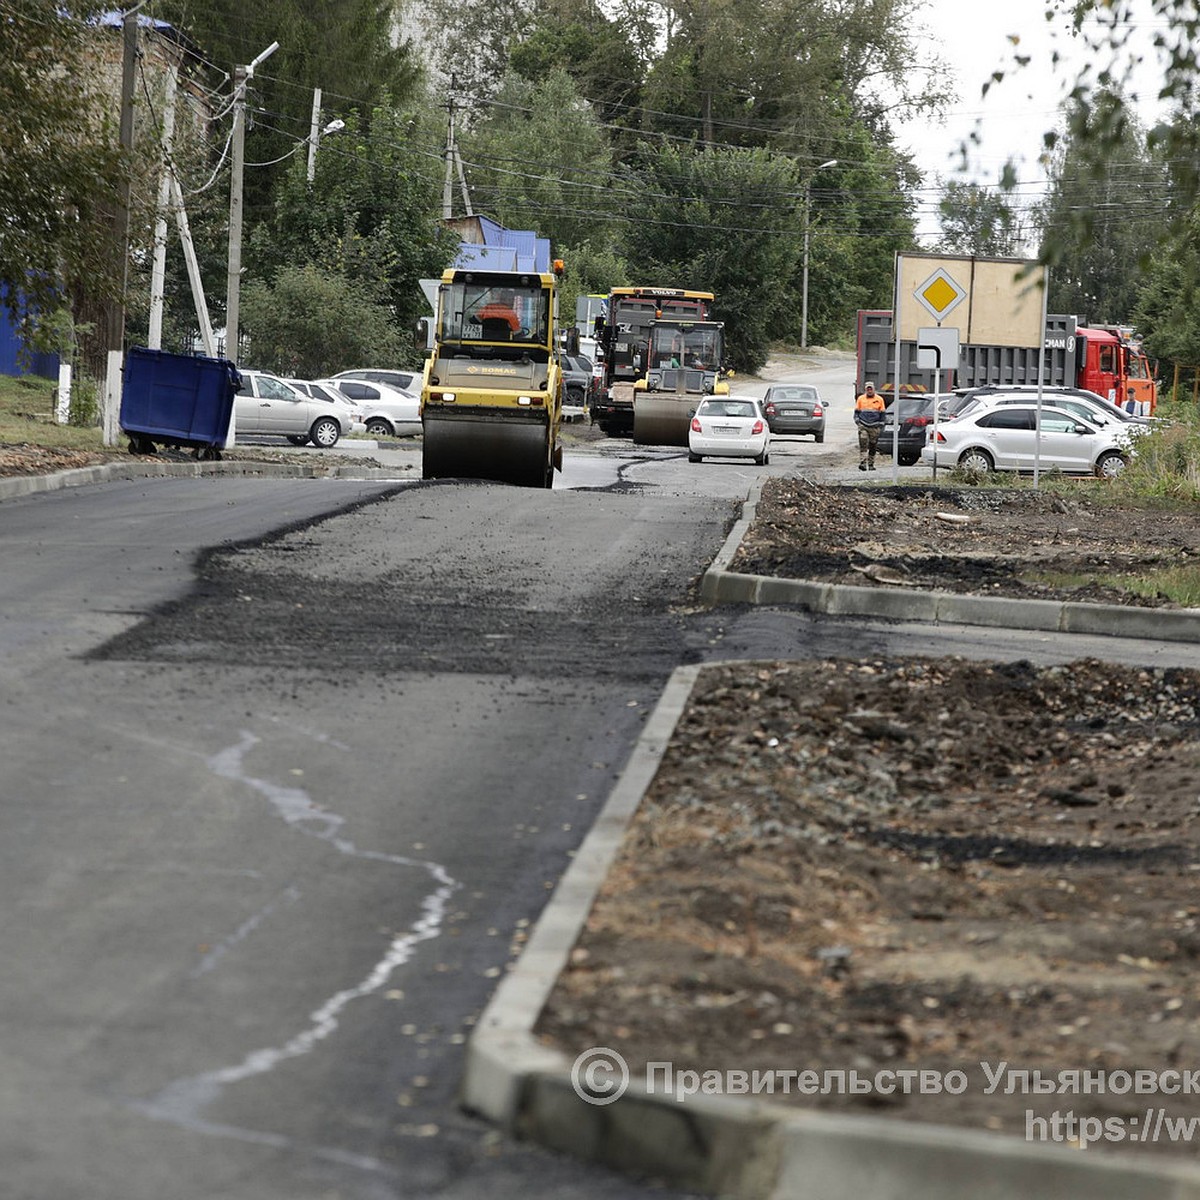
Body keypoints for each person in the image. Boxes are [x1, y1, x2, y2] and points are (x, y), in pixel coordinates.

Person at [854, 381, 886, 470]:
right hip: (863, 425)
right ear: (865, 390)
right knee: (863, 443)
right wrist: (858, 422)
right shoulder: (860, 399)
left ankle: (871, 464)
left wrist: (881, 423)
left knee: (873, 445)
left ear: (873, 389)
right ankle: (863, 463)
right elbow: (856, 412)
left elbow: (883, 413)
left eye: (871, 389)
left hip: (874, 426)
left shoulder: (879, 399)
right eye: (868, 389)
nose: (869, 391)